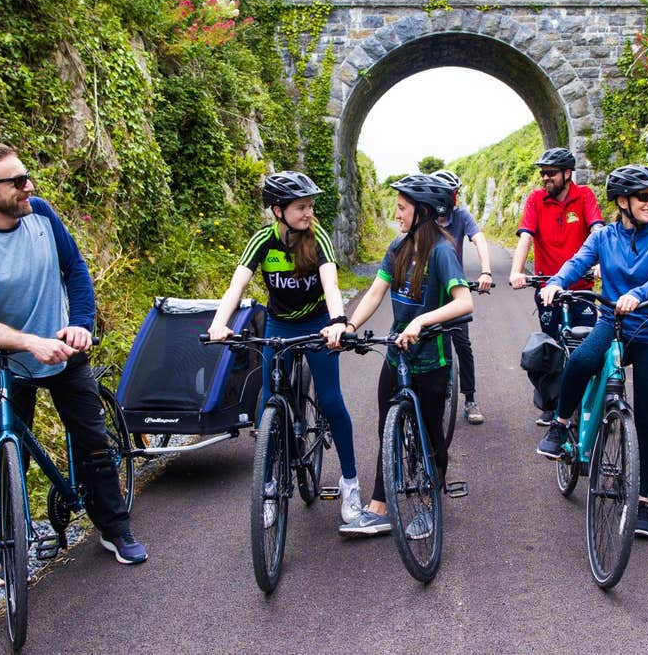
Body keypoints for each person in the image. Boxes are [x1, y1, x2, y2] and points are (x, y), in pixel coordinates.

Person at [0, 143, 146, 564]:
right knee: (9, 452)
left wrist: (80, 323)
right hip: (11, 363)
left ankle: (115, 529)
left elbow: (74, 268)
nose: (28, 187)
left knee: (93, 442)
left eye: (27, 177)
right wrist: (29, 342)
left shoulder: (42, 214)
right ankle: (9, 546)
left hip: (67, 350)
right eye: (17, 181)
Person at [206, 171, 363, 529]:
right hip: (279, 323)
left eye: (310, 206)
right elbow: (237, 283)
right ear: (278, 210)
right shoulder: (263, 240)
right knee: (267, 399)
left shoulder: (318, 236)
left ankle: (350, 485)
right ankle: (269, 482)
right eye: (300, 207)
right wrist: (219, 323)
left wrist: (338, 320)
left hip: (317, 321)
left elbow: (331, 282)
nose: (308, 213)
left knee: (333, 400)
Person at [534, 164, 648, 539]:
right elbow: (577, 263)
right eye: (644, 196)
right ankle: (561, 426)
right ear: (622, 201)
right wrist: (556, 282)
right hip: (612, 323)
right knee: (581, 360)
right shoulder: (603, 237)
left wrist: (638, 294)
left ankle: (644, 503)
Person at [333, 174, 475, 537]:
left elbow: (464, 302)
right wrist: (348, 325)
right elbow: (375, 293)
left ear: (423, 212)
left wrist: (423, 321)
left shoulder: (442, 251)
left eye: (402, 208)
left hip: (432, 358)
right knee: (386, 430)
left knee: (430, 436)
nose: (396, 214)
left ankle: (430, 503)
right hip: (397, 355)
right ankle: (379, 507)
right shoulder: (397, 247)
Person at [507, 147, 604, 426]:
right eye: (543, 174)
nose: (546, 178)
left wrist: (601, 262)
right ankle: (551, 404)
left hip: (582, 287)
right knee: (549, 347)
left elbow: (598, 231)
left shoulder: (584, 195)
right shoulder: (536, 199)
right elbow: (526, 236)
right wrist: (516, 271)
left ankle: (583, 400)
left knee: (585, 345)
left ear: (567, 173)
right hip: (548, 287)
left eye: (551, 173)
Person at [430, 169, 492, 425]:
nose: (453, 199)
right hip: (431, 291)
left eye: (454, 193)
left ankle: (470, 399)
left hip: (456, 292)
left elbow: (479, 240)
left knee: (463, 346)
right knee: (425, 343)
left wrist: (486, 270)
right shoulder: (425, 218)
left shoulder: (461, 216)